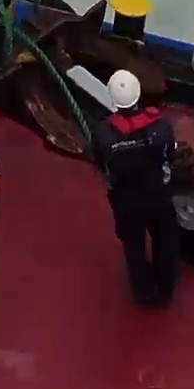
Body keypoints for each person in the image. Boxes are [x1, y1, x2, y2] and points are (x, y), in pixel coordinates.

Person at [75, 64, 183, 308]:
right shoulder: (162, 126)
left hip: (126, 201)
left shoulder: (103, 133)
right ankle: (165, 288)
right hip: (158, 196)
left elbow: (101, 164)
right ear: (138, 95)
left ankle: (143, 293)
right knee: (165, 240)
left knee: (134, 246)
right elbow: (171, 156)